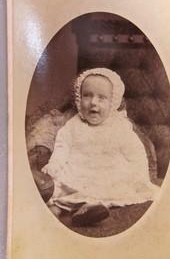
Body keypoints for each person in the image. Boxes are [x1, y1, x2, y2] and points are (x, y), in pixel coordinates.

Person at [41, 68, 159, 226]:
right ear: (78, 98)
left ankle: (86, 210)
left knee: (110, 187)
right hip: (79, 170)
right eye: (87, 95)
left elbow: (136, 153)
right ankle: (57, 209)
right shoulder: (73, 124)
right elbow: (62, 146)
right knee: (63, 186)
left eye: (101, 98)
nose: (93, 102)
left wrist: (140, 177)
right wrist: (55, 164)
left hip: (108, 172)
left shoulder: (120, 126)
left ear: (113, 102)